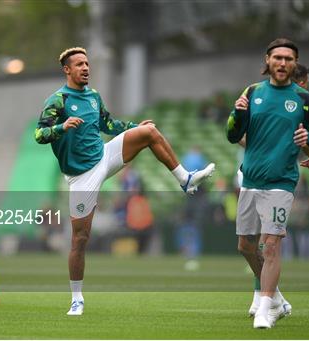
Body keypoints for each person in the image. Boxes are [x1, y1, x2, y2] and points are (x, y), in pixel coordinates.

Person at [35, 47, 215, 315]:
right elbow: (40, 134)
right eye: (79, 64)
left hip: (104, 155)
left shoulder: (94, 96)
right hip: (81, 176)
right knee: (80, 239)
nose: (86, 68)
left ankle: (185, 178)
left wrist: (134, 127)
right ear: (67, 70)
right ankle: (76, 298)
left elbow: (108, 124)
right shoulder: (58, 100)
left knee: (149, 131)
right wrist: (62, 127)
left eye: (87, 63)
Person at [227, 38, 309, 328]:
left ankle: (263, 308)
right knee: (246, 247)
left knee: (270, 245)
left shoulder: (305, 99)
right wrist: (237, 113)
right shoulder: (252, 93)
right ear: (268, 60)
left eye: (288, 58)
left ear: (294, 63)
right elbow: (233, 135)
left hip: (281, 182)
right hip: (250, 179)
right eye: (278, 57)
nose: (283, 63)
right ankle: (276, 298)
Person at [236, 61, 309, 316]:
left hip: (273, 179)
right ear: (300, 81)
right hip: (258, 176)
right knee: (253, 244)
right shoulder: (291, 101)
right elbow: (240, 134)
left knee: (264, 242)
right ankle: (272, 297)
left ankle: (262, 298)